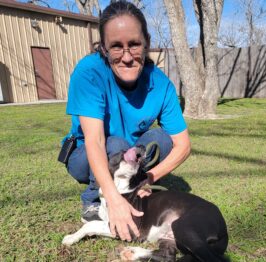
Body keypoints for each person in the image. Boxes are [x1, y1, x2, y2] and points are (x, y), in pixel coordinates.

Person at [63, 1, 191, 242]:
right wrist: (113, 200)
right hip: (85, 156)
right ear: (103, 48)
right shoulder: (89, 72)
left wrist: (149, 178)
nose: (127, 57)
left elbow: (183, 145)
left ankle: (136, 191)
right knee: (115, 143)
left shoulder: (161, 84)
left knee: (161, 138)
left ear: (146, 44)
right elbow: (95, 140)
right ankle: (92, 200)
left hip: (127, 159)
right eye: (116, 47)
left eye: (134, 45)